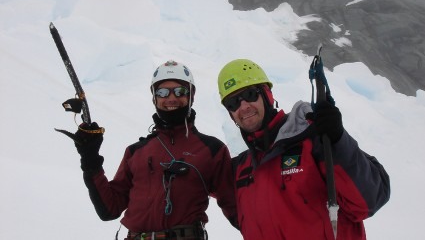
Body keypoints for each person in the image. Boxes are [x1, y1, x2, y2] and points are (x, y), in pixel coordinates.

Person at [217, 59, 390, 240]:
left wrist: (338, 140)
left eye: (251, 94)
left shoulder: (312, 138)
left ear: (267, 95)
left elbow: (369, 199)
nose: (243, 107)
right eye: (232, 103)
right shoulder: (242, 170)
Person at [72, 60, 237, 240]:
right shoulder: (136, 152)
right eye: (163, 92)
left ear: (191, 96)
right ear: (154, 97)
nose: (171, 98)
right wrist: (90, 159)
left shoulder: (212, 150)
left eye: (180, 91)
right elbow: (109, 209)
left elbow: (237, 208)